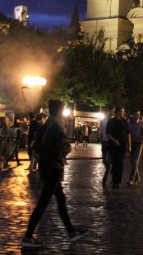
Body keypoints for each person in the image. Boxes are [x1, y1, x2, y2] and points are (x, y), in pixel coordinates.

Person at [21, 99, 87, 249]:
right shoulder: (56, 126)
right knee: (43, 202)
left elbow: (37, 144)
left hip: (47, 166)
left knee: (60, 198)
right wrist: (64, 151)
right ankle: (28, 236)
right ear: (59, 110)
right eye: (63, 109)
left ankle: (71, 231)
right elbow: (57, 147)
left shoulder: (48, 123)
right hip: (53, 167)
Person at [106, 106, 130, 188]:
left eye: (123, 111)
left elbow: (128, 134)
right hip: (113, 145)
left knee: (120, 163)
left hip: (122, 145)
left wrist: (129, 145)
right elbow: (108, 133)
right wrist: (114, 140)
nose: (123, 113)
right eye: (121, 111)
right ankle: (114, 180)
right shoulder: (111, 121)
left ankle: (118, 181)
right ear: (117, 112)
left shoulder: (125, 122)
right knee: (114, 163)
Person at [127, 110, 143, 185]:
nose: (137, 116)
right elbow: (127, 133)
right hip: (131, 143)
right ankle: (138, 178)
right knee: (132, 161)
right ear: (133, 115)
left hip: (139, 144)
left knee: (135, 161)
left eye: (138, 114)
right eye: (136, 114)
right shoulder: (129, 123)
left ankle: (131, 179)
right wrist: (128, 145)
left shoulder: (142, 123)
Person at [98, 108, 111, 186]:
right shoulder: (103, 121)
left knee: (109, 160)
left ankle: (106, 177)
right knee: (104, 160)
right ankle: (109, 168)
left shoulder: (113, 121)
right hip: (105, 142)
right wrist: (101, 140)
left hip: (110, 142)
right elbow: (101, 131)